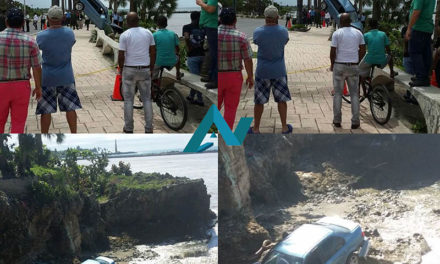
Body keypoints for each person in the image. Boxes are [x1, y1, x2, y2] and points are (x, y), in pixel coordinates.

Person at [36, 5, 82, 134]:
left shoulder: (41, 36)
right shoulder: (69, 33)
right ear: (62, 18)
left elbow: (38, 49)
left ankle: (44, 135)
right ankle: (74, 133)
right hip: (66, 76)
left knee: (46, 111)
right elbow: (72, 43)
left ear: (48, 18)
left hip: (47, 77)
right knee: (70, 108)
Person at [249, 5, 292, 134]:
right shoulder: (283, 31)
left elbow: (256, 42)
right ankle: (284, 127)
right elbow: (285, 42)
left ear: (265, 17)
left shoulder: (258, 32)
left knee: (259, 101)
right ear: (277, 17)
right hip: (279, 70)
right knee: (282, 100)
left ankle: (256, 128)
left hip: (263, 71)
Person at [0, 8, 42, 133]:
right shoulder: (30, 41)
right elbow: (37, 67)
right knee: (18, 123)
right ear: (23, 22)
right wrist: (38, 87)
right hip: (21, 86)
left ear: (6, 21)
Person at [118, 12, 156, 133]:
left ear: (127, 22)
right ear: (138, 20)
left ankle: (129, 128)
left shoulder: (125, 35)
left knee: (128, 100)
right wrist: (151, 67)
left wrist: (121, 69)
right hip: (144, 69)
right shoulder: (148, 33)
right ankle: (149, 128)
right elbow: (153, 52)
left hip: (129, 69)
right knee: (146, 99)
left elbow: (121, 54)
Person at [218, 8, 253, 129]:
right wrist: (250, 77)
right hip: (234, 77)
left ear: (220, 19)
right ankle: (224, 137)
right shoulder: (242, 37)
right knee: (230, 109)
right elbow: (248, 59)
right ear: (235, 20)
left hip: (216, 76)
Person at [330, 13, 365, 129]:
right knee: (355, 95)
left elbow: (333, 51)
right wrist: (357, 62)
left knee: (338, 94)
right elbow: (363, 50)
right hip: (354, 66)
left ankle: (337, 121)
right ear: (350, 21)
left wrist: (332, 64)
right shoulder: (358, 33)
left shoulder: (337, 33)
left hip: (339, 66)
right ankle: (355, 122)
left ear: (340, 22)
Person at [405, 0, 435, 87]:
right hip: (427, 28)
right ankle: (424, 77)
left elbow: (416, 12)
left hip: (418, 27)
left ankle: (421, 77)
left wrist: (409, 28)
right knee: (425, 53)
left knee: (414, 52)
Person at [183, 11, 205, 106]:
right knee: (198, 77)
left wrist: (189, 47)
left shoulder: (187, 27)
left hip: (193, 56)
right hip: (202, 55)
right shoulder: (202, 27)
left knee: (196, 79)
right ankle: (191, 96)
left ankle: (200, 99)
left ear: (191, 18)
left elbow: (187, 37)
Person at [196, 0, 218, 89]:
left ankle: (215, 80)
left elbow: (211, 9)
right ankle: (211, 76)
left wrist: (201, 3)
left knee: (214, 55)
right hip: (208, 27)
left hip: (212, 27)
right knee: (211, 54)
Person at [153, 16, 182, 80]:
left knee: (153, 79)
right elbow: (177, 49)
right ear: (166, 24)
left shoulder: (154, 35)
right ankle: (178, 73)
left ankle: (153, 84)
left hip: (158, 62)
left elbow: (152, 50)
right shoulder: (173, 34)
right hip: (171, 62)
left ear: (157, 24)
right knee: (178, 56)